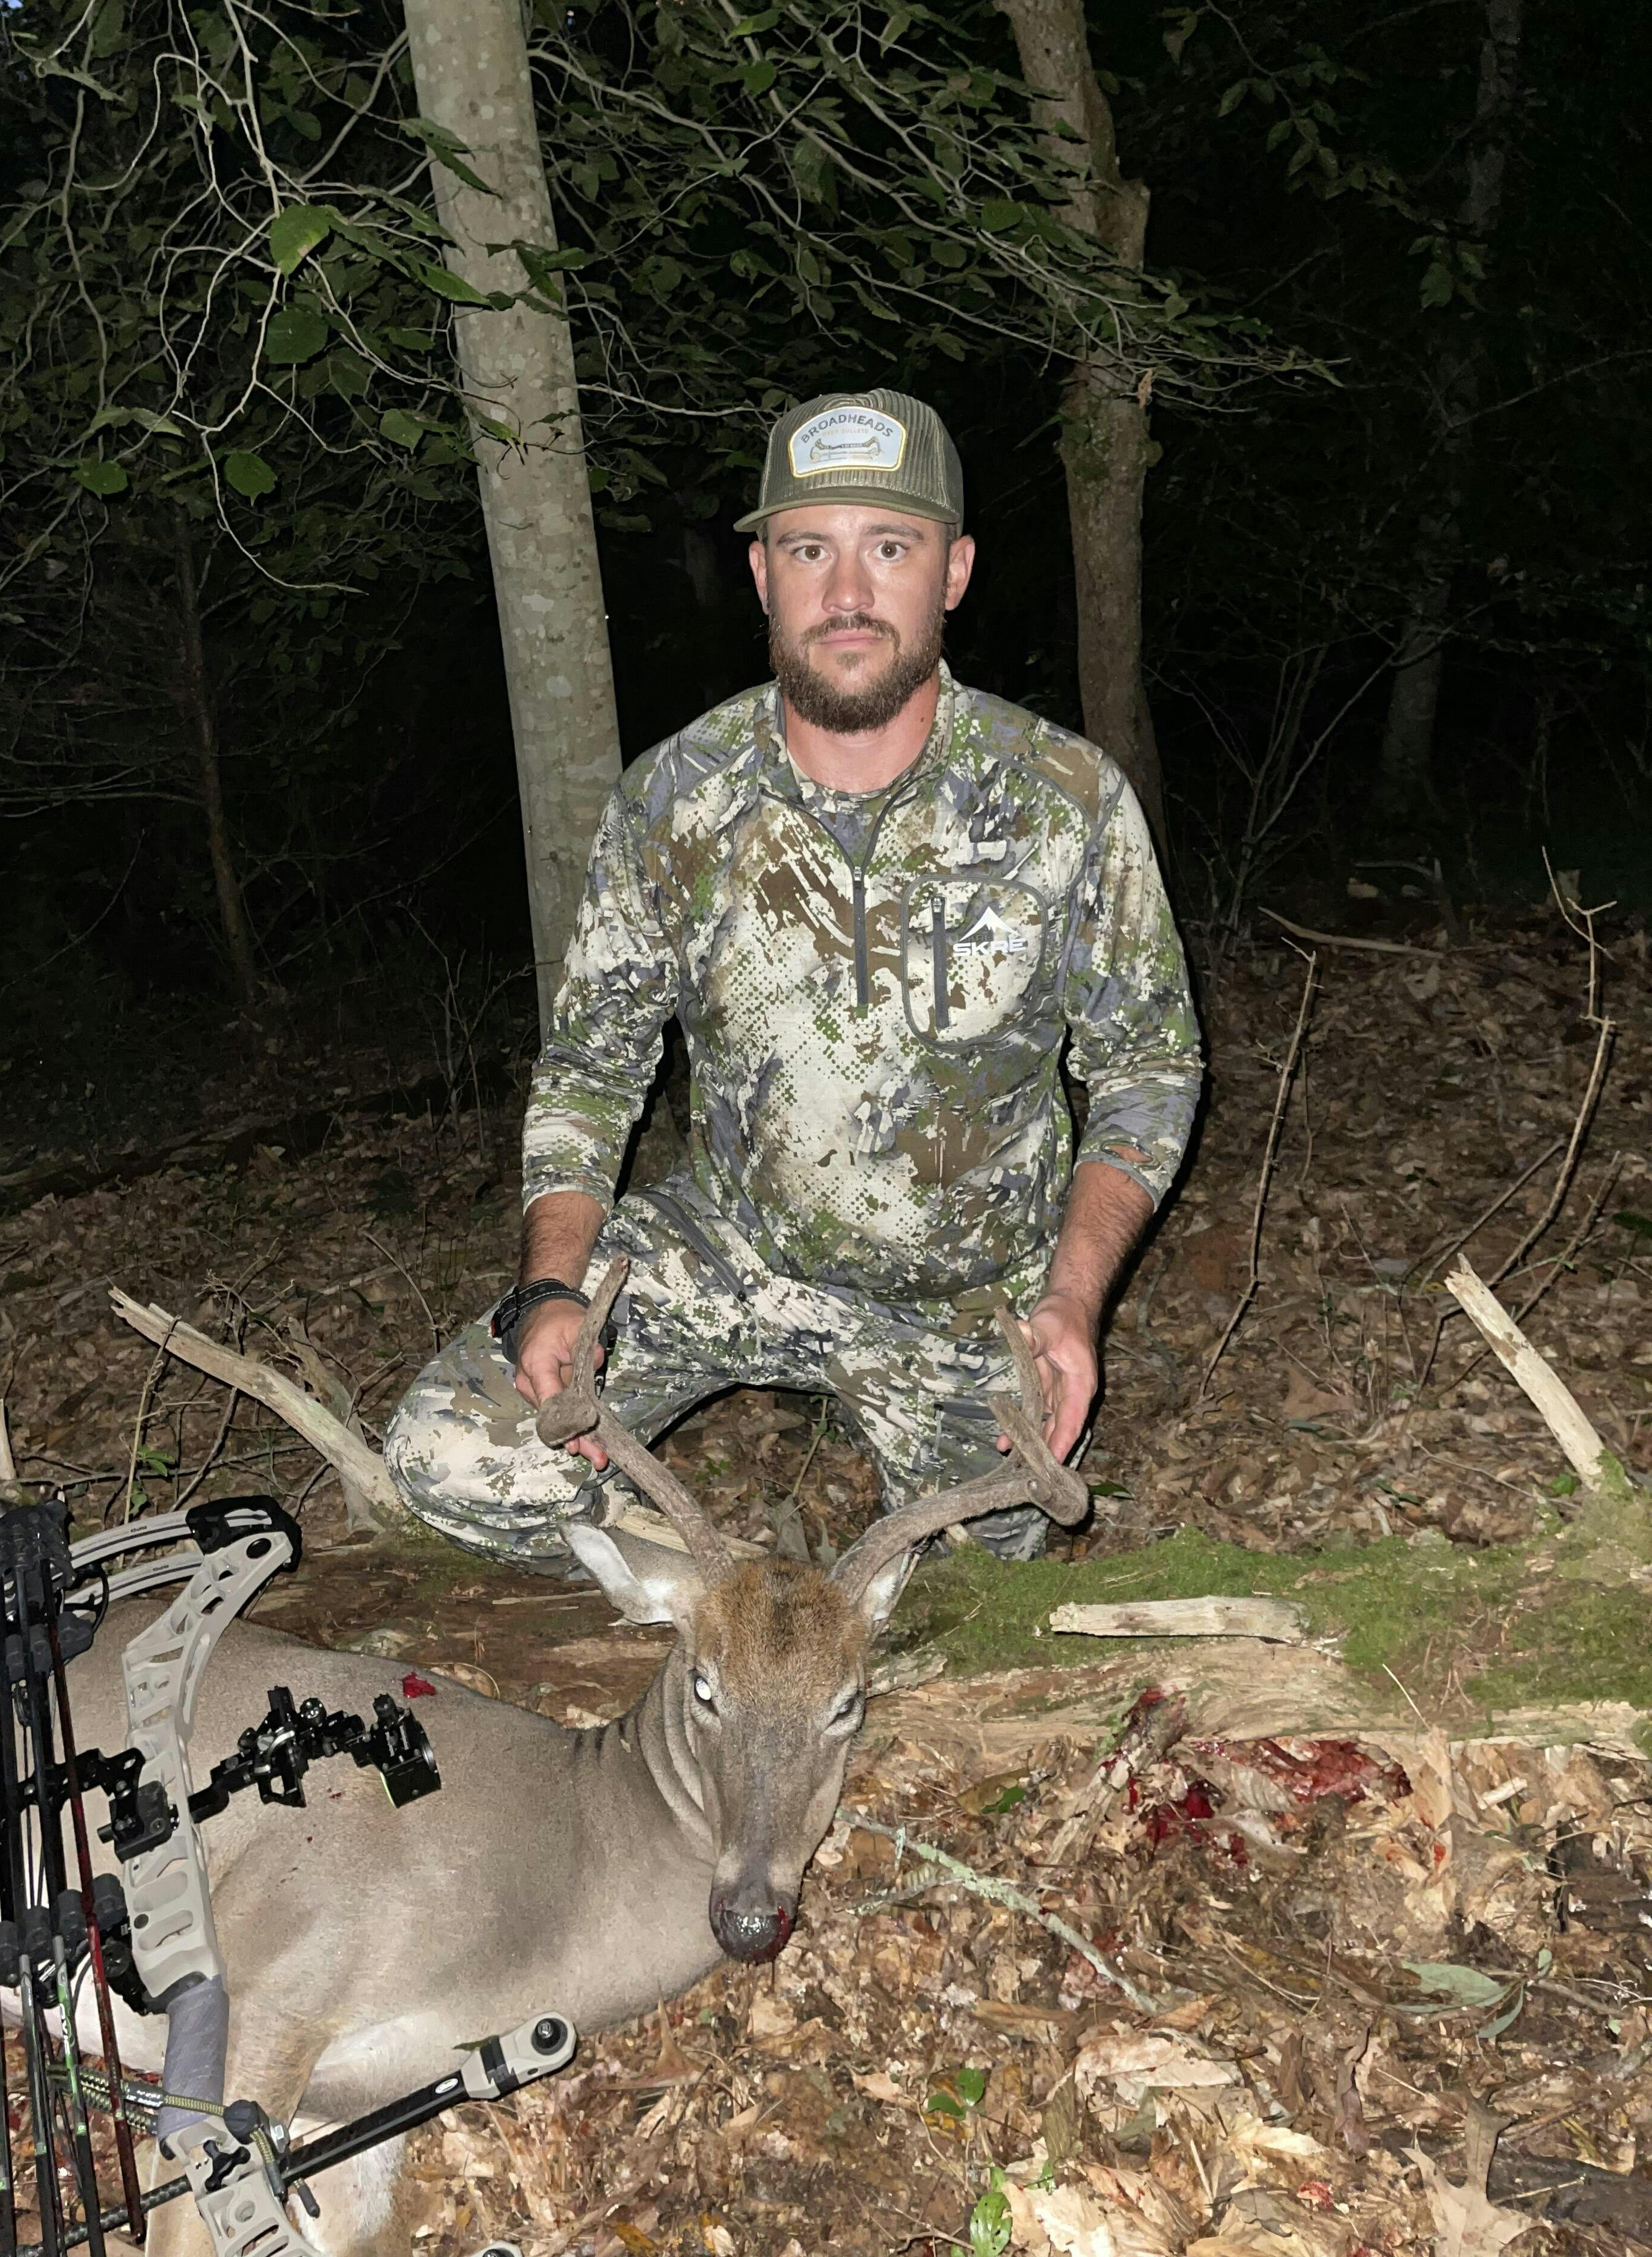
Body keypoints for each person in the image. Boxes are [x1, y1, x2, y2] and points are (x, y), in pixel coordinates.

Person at [384, 387, 1202, 1571]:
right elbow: (593, 1066)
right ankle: (707, 1594)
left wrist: (1072, 1303)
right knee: (453, 1462)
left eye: (891, 548)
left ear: (955, 572)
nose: (848, 592)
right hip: (731, 1247)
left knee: (984, 1564)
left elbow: (1148, 1067)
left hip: (965, 1287)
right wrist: (552, 1289)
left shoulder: (1062, 798)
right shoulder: (676, 797)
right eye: (810, 550)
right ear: (764, 575)